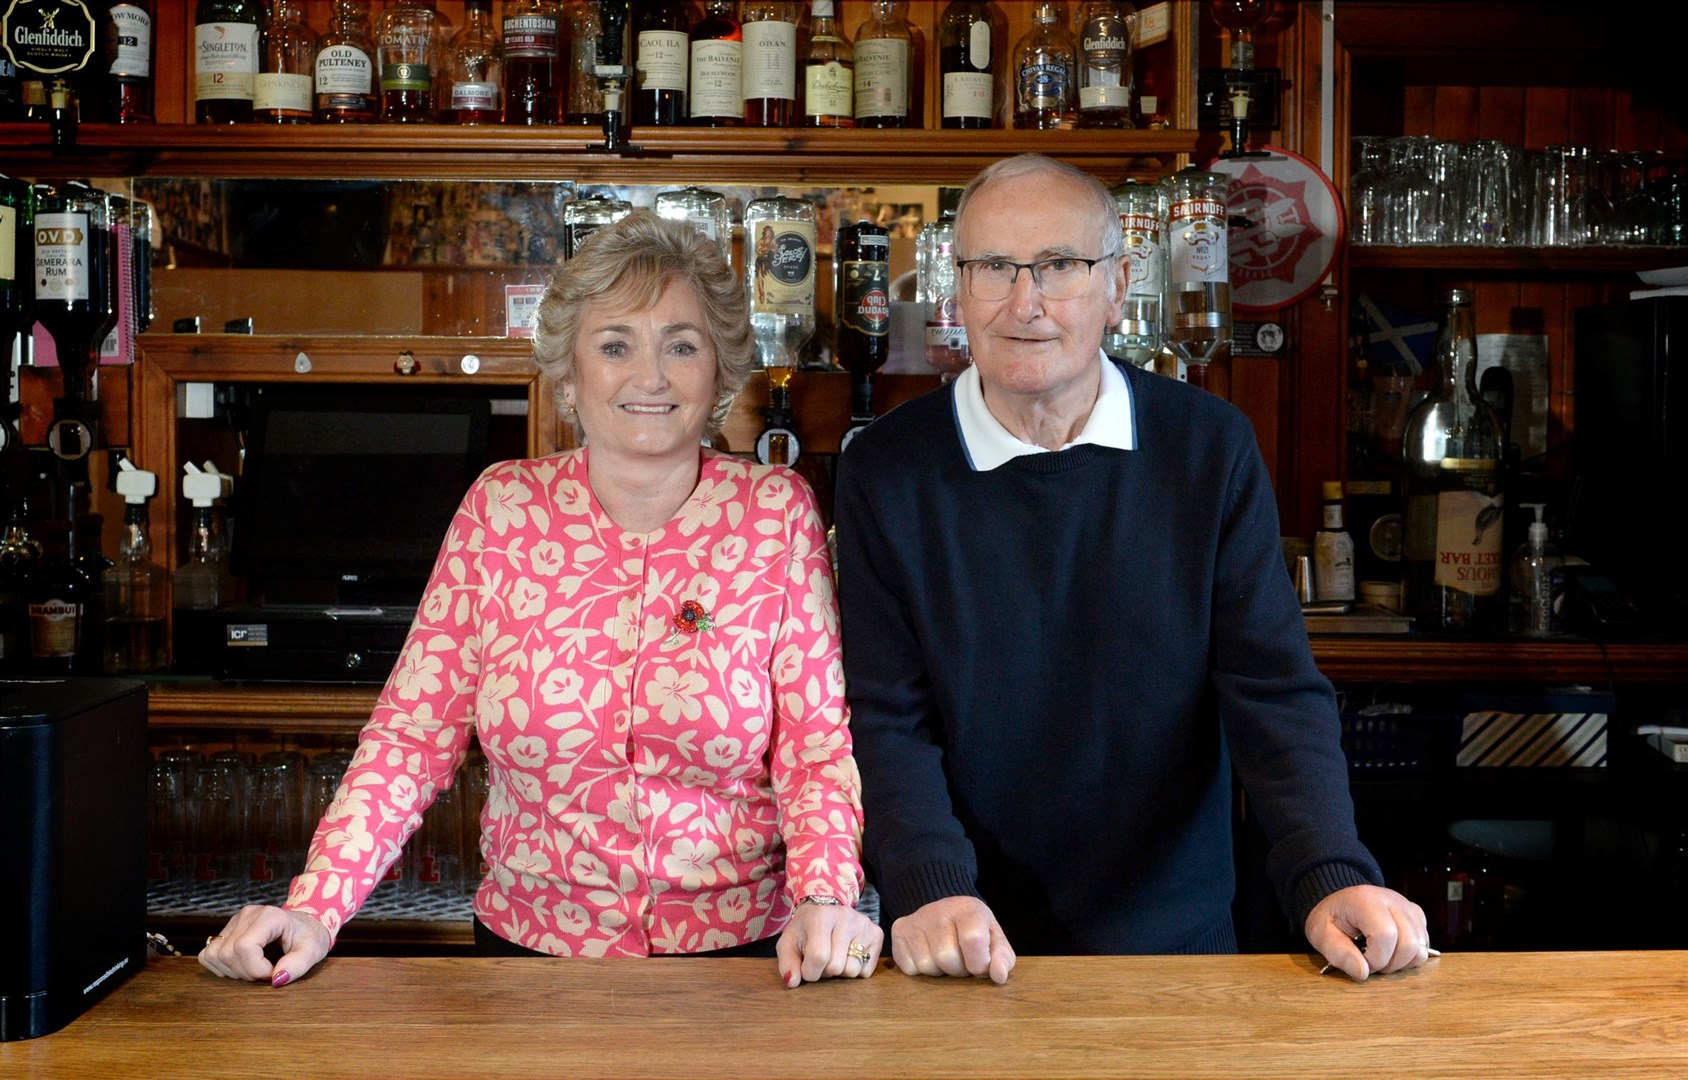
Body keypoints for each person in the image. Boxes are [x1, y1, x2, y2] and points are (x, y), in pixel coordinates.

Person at [201, 211, 880, 989]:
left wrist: (826, 897)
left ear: (720, 371)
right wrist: (316, 907)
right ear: (567, 373)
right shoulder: (502, 510)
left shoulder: (773, 514)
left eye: (682, 345)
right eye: (615, 344)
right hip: (530, 964)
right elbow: (411, 738)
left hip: (743, 966)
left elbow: (815, 749)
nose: (650, 376)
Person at [833, 155, 1429, 985]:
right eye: (993, 268)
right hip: (963, 941)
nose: (1024, 302)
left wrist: (1333, 871)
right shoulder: (886, 470)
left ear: (1117, 288)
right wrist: (929, 886)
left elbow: (1273, 692)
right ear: (958, 290)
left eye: (1059, 267)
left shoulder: (1209, 448)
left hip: (1176, 944)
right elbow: (886, 717)